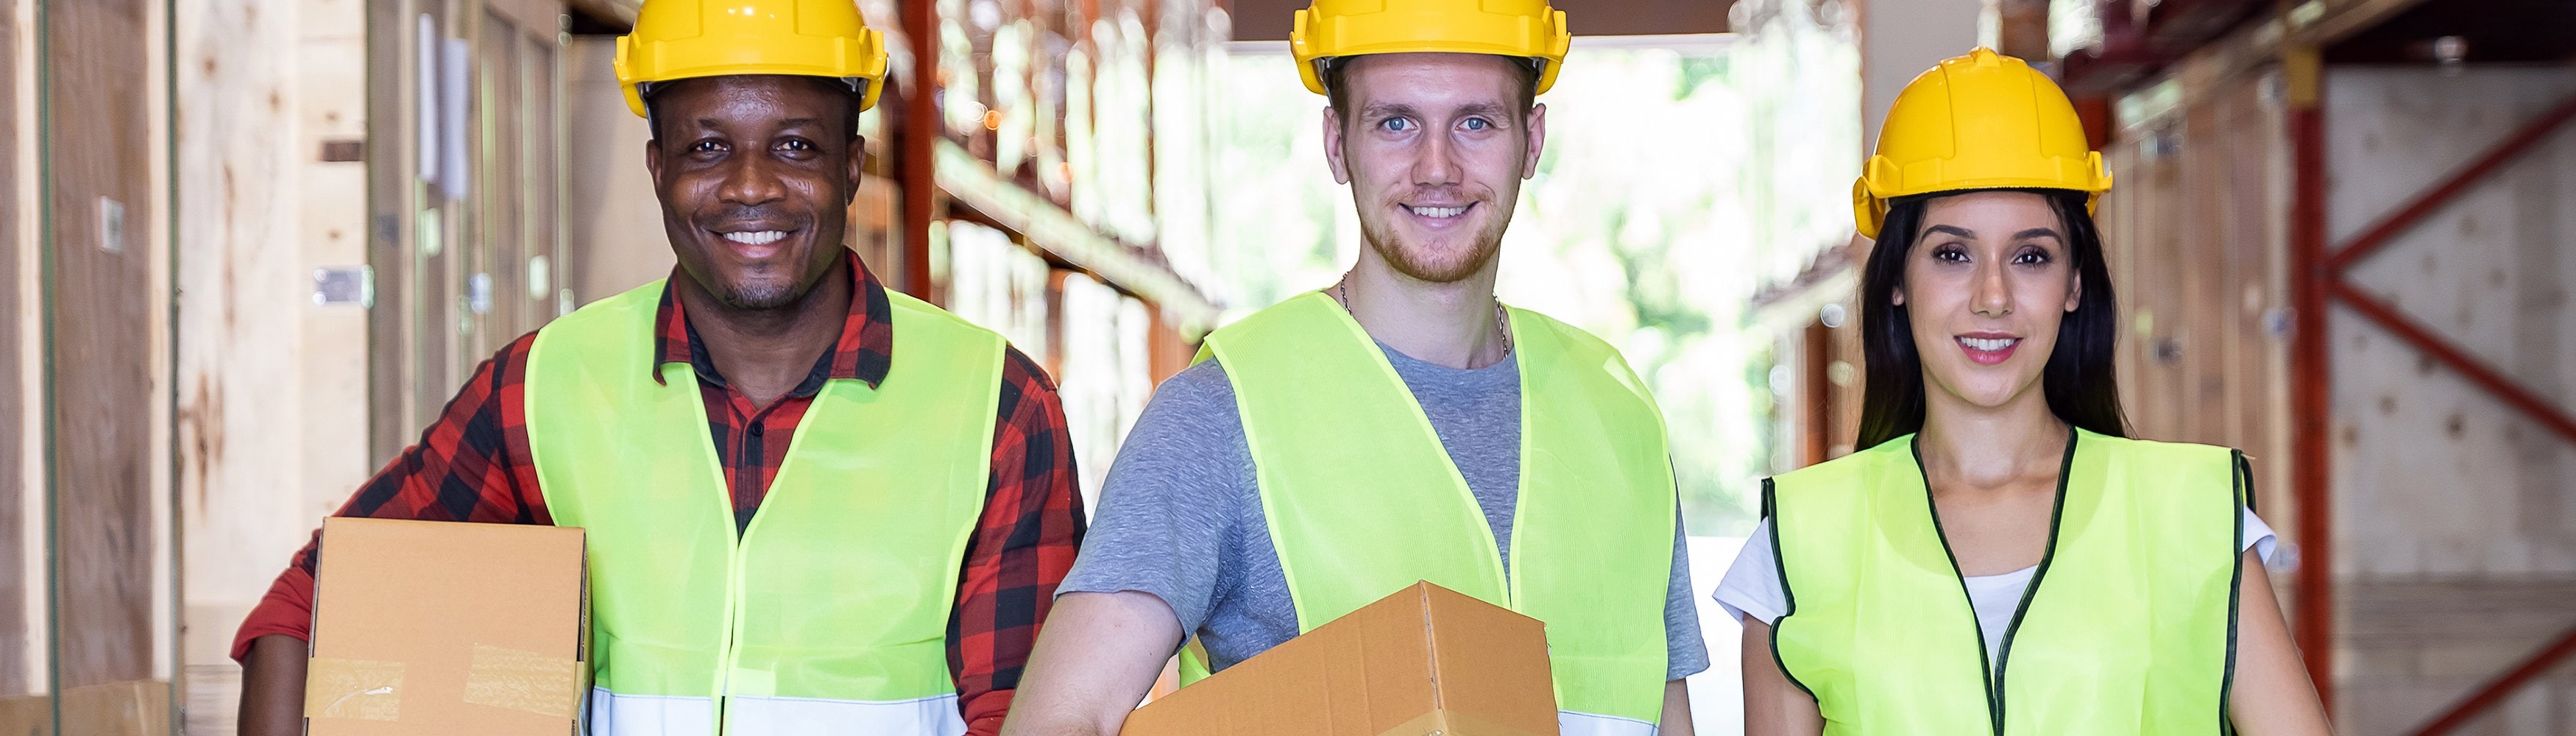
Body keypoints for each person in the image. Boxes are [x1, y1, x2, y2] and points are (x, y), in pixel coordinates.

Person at [230, 1, 1083, 734]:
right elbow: (312, 609)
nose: (752, 187)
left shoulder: (996, 410)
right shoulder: (547, 388)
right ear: (658, 169)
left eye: (794, 146)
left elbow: (1031, 713)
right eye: (708, 149)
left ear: (851, 166)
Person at [997, 1, 1702, 735]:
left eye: (1476, 122)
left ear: (1533, 141)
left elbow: (1663, 715)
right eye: (1395, 123)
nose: (1437, 167)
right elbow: (1059, 717)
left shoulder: (1621, 417)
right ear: (1337, 144)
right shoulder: (1224, 412)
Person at [1713, 48, 2331, 735]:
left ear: (2073, 285)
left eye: (2031, 256)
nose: (1994, 297)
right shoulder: (1798, 547)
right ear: (1897, 280)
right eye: (1952, 254)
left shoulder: (2198, 519)